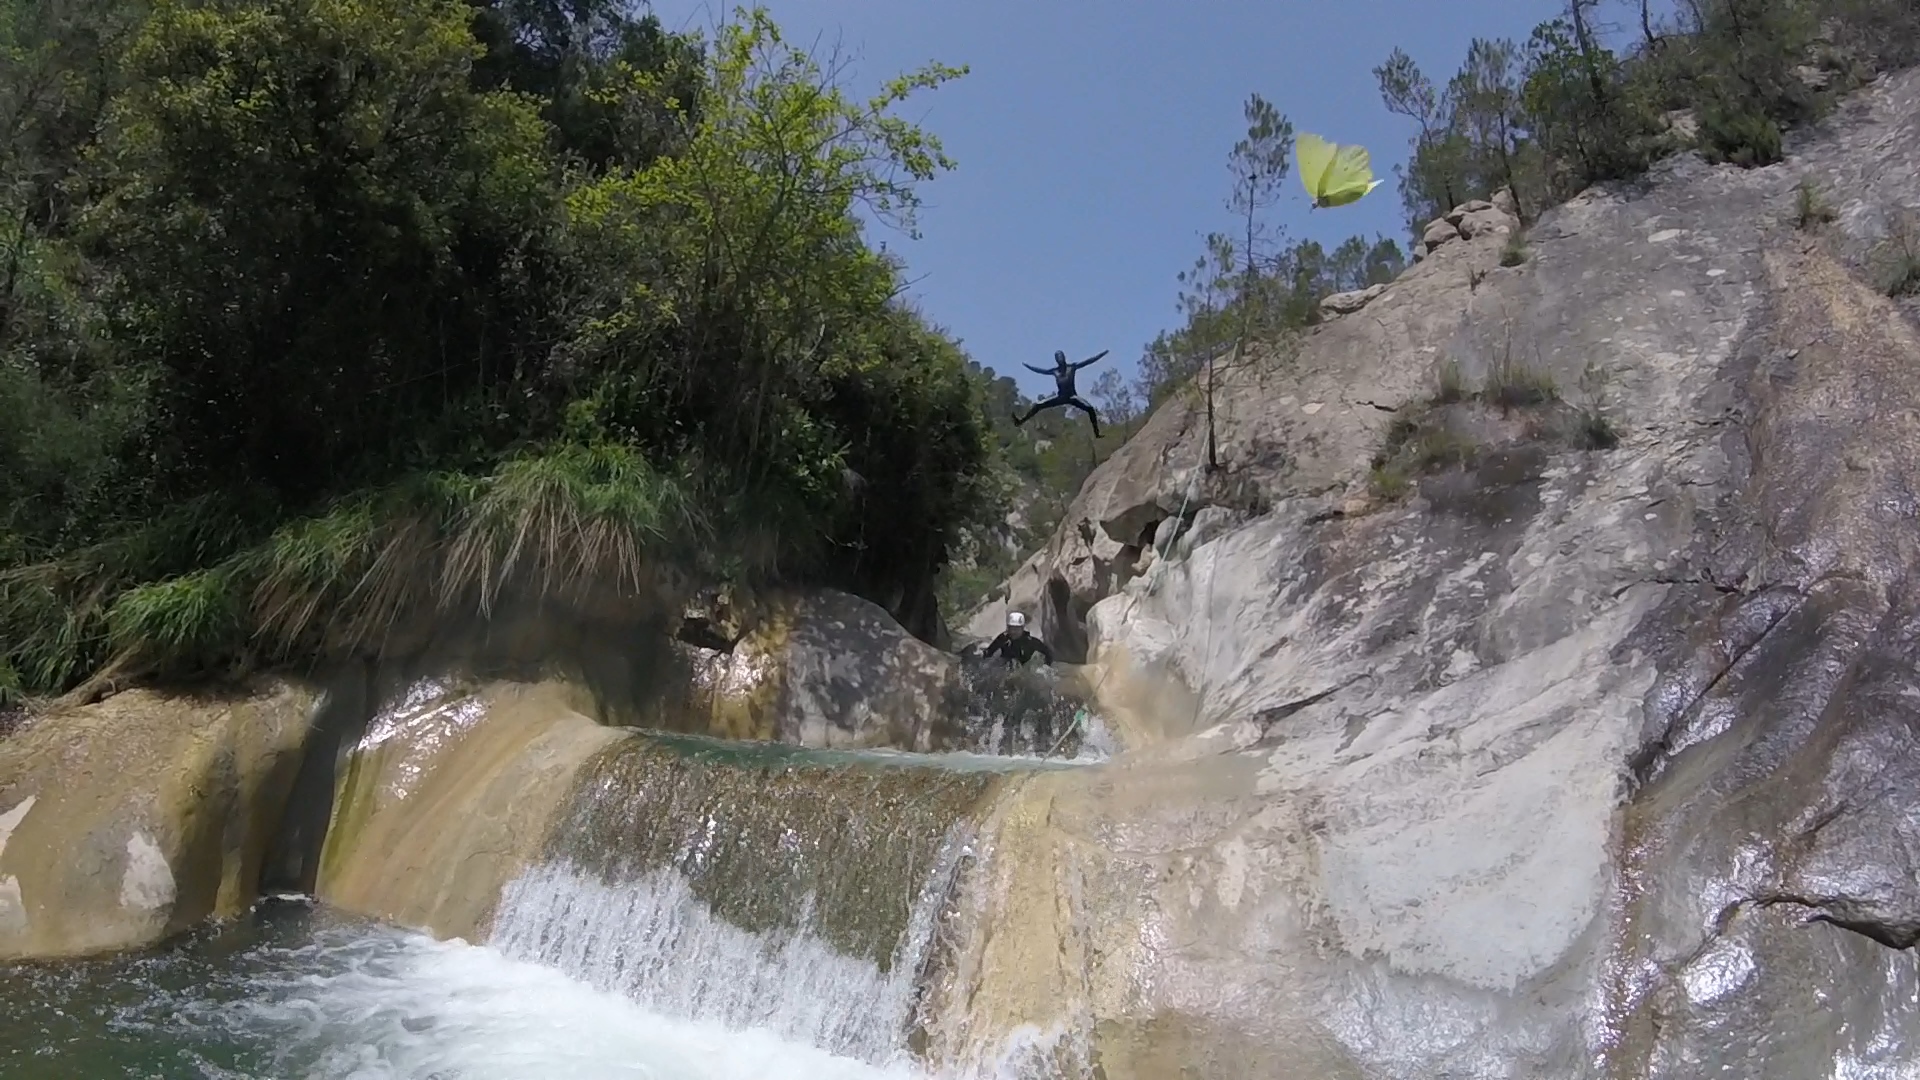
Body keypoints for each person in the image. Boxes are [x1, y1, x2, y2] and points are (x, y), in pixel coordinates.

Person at [1013, 349, 1109, 437]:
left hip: (1072, 397)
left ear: (1064, 358)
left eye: (1061, 356)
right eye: (1058, 358)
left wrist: (1101, 355)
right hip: (1060, 397)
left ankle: (1097, 433)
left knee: (1090, 409)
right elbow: (1041, 371)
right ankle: (1020, 421)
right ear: (1056, 360)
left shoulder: (1072, 367)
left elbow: (1088, 361)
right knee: (1038, 405)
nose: (1060, 359)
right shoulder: (1055, 371)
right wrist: (1029, 366)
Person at [982, 610, 1054, 667]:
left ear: (1022, 628)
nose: (1013, 632)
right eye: (1011, 628)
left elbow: (1048, 653)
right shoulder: (1003, 638)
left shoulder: (1030, 641)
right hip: (1006, 668)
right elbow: (989, 652)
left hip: (1024, 670)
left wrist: (1046, 666)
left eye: (1016, 629)